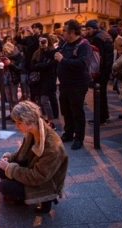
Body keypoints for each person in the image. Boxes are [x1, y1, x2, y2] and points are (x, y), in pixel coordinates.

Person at [0, 101, 68, 213]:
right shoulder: (32, 130)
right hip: (33, 169)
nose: (16, 126)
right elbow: (22, 155)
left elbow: (38, 177)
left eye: (19, 123)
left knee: (5, 186)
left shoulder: (52, 147)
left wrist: (10, 168)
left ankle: (46, 200)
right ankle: (19, 195)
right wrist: (8, 159)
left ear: (30, 121)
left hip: (47, 183)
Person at [53, 19, 92, 150]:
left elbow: (82, 64)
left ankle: (79, 138)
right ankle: (68, 133)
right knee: (66, 110)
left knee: (77, 111)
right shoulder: (65, 44)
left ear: (72, 32)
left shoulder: (83, 45)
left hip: (77, 84)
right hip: (65, 84)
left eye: (64, 30)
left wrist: (63, 60)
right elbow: (54, 53)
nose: (62, 33)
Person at [85, 19, 114, 125]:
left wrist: (96, 71)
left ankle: (100, 118)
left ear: (94, 28)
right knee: (102, 94)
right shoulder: (106, 35)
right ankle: (104, 115)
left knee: (99, 95)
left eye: (89, 29)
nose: (87, 31)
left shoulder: (97, 38)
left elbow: (98, 57)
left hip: (101, 70)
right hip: (107, 68)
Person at [31, 34, 58, 130]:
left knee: (44, 101)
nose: (41, 43)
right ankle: (45, 120)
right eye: (40, 41)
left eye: (44, 41)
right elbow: (32, 65)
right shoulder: (37, 53)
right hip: (39, 80)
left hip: (49, 79)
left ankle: (51, 122)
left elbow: (52, 64)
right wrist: (41, 65)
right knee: (41, 102)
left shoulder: (51, 52)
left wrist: (40, 65)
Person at [0, 42, 22, 118]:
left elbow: (19, 69)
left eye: (6, 51)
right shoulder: (4, 56)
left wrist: (10, 64)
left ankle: (17, 114)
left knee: (14, 98)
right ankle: (12, 113)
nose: (5, 53)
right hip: (5, 78)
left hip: (13, 78)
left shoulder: (17, 55)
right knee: (9, 98)